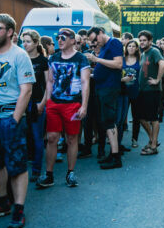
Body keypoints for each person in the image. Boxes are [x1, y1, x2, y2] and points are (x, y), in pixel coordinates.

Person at [0, 14, 34, 228]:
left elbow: (26, 90)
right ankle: (1, 200)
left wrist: (15, 119)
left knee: (16, 164)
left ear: (10, 31)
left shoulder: (20, 55)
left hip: (9, 116)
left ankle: (19, 208)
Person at [36, 28, 90, 189]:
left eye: (63, 37)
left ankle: (70, 172)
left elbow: (85, 82)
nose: (59, 40)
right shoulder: (53, 57)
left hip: (73, 104)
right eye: (58, 38)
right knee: (52, 137)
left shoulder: (81, 59)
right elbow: (50, 81)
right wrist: (45, 102)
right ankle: (49, 174)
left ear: (73, 40)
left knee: (72, 138)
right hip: (54, 103)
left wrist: (84, 105)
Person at [86, 27, 123, 170]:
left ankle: (116, 156)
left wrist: (96, 59)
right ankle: (113, 154)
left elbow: (118, 64)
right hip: (103, 87)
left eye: (95, 39)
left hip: (109, 88)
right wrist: (94, 74)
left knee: (109, 121)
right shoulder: (105, 46)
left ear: (101, 33)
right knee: (106, 121)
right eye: (92, 41)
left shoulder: (113, 43)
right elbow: (106, 67)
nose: (95, 43)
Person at [21, 30, 49, 182]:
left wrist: (42, 103)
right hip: (21, 103)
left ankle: (37, 170)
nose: (24, 44)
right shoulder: (20, 59)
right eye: (23, 41)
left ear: (36, 43)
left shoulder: (43, 61)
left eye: (28, 41)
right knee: (24, 137)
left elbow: (48, 84)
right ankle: (21, 171)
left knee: (37, 137)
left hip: (37, 102)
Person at [136, 30, 164, 155]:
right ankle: (153, 140)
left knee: (153, 118)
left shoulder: (154, 51)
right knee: (141, 118)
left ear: (150, 41)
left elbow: (163, 65)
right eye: (141, 40)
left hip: (152, 91)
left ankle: (153, 146)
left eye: (144, 40)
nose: (142, 42)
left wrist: (157, 80)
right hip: (143, 91)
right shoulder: (143, 54)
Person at [120, 40, 141, 149]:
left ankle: (134, 139)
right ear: (126, 48)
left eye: (133, 46)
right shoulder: (122, 60)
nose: (131, 48)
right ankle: (119, 139)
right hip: (123, 91)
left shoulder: (140, 60)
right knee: (121, 117)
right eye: (129, 46)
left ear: (137, 48)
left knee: (136, 116)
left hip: (136, 91)